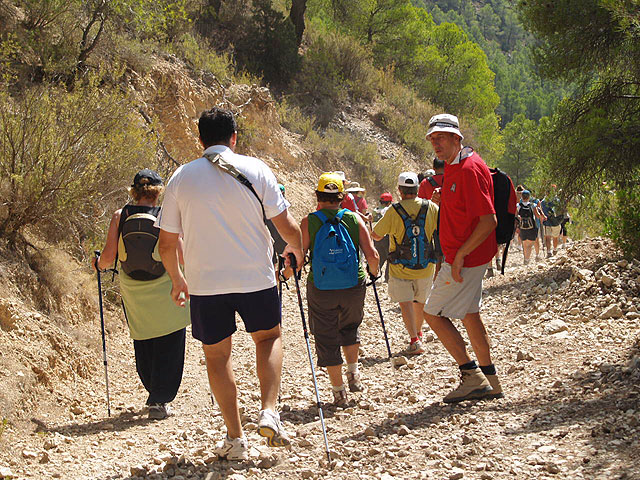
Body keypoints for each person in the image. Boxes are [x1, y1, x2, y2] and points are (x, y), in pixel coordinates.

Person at [157, 107, 303, 461]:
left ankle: (235, 439)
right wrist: (297, 248)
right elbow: (285, 226)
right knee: (268, 338)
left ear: (200, 139)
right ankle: (269, 411)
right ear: (233, 138)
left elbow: (165, 243)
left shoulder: (180, 178)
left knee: (217, 357)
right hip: (255, 277)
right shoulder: (256, 169)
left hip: (206, 284)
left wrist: (178, 279)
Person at [93, 169, 190, 420]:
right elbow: (181, 254)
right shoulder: (166, 216)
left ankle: (152, 390)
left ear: (134, 192)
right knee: (170, 340)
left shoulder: (120, 216)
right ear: (158, 192)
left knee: (143, 338)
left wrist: (98, 265)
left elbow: (107, 258)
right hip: (164, 286)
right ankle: (159, 398)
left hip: (133, 291)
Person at [422, 113, 504, 403]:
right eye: (432, 138)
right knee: (470, 316)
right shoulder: (455, 165)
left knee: (431, 314)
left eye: (441, 137)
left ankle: (471, 376)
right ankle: (491, 381)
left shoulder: (469, 168)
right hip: (464, 256)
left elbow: (488, 221)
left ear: (457, 137)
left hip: (464, 259)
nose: (435, 143)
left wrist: (459, 258)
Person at [301, 172, 379, 406]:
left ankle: (338, 392)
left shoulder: (309, 221)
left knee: (326, 335)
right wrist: (373, 275)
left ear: (318, 196)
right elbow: (372, 255)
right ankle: (353, 374)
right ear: (342, 197)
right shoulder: (355, 219)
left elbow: (299, 254)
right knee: (350, 326)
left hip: (321, 287)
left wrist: (286, 274)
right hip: (353, 284)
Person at [372, 172, 438, 356]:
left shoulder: (394, 210)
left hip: (400, 267)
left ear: (400, 190)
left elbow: (376, 235)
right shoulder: (431, 207)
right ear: (417, 189)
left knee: (406, 303)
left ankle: (414, 340)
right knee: (420, 302)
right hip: (426, 266)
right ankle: (418, 333)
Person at [517, 190, 546, 265]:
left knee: (525, 244)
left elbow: (516, 216)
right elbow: (537, 216)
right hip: (531, 227)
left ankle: (525, 258)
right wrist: (541, 217)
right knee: (529, 245)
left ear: (522, 197)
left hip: (522, 227)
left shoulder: (518, 206)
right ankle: (527, 259)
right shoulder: (533, 205)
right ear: (529, 197)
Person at [372, 192, 393, 282]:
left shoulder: (374, 210)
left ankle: (374, 274)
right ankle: (387, 278)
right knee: (390, 256)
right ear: (389, 202)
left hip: (376, 236)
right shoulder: (389, 210)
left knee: (380, 256)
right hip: (386, 237)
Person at [540, 186, 562, 257]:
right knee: (555, 237)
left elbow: (543, 211)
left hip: (547, 222)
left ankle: (549, 251)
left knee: (548, 237)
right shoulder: (557, 200)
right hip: (556, 222)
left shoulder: (543, 201)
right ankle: (554, 249)